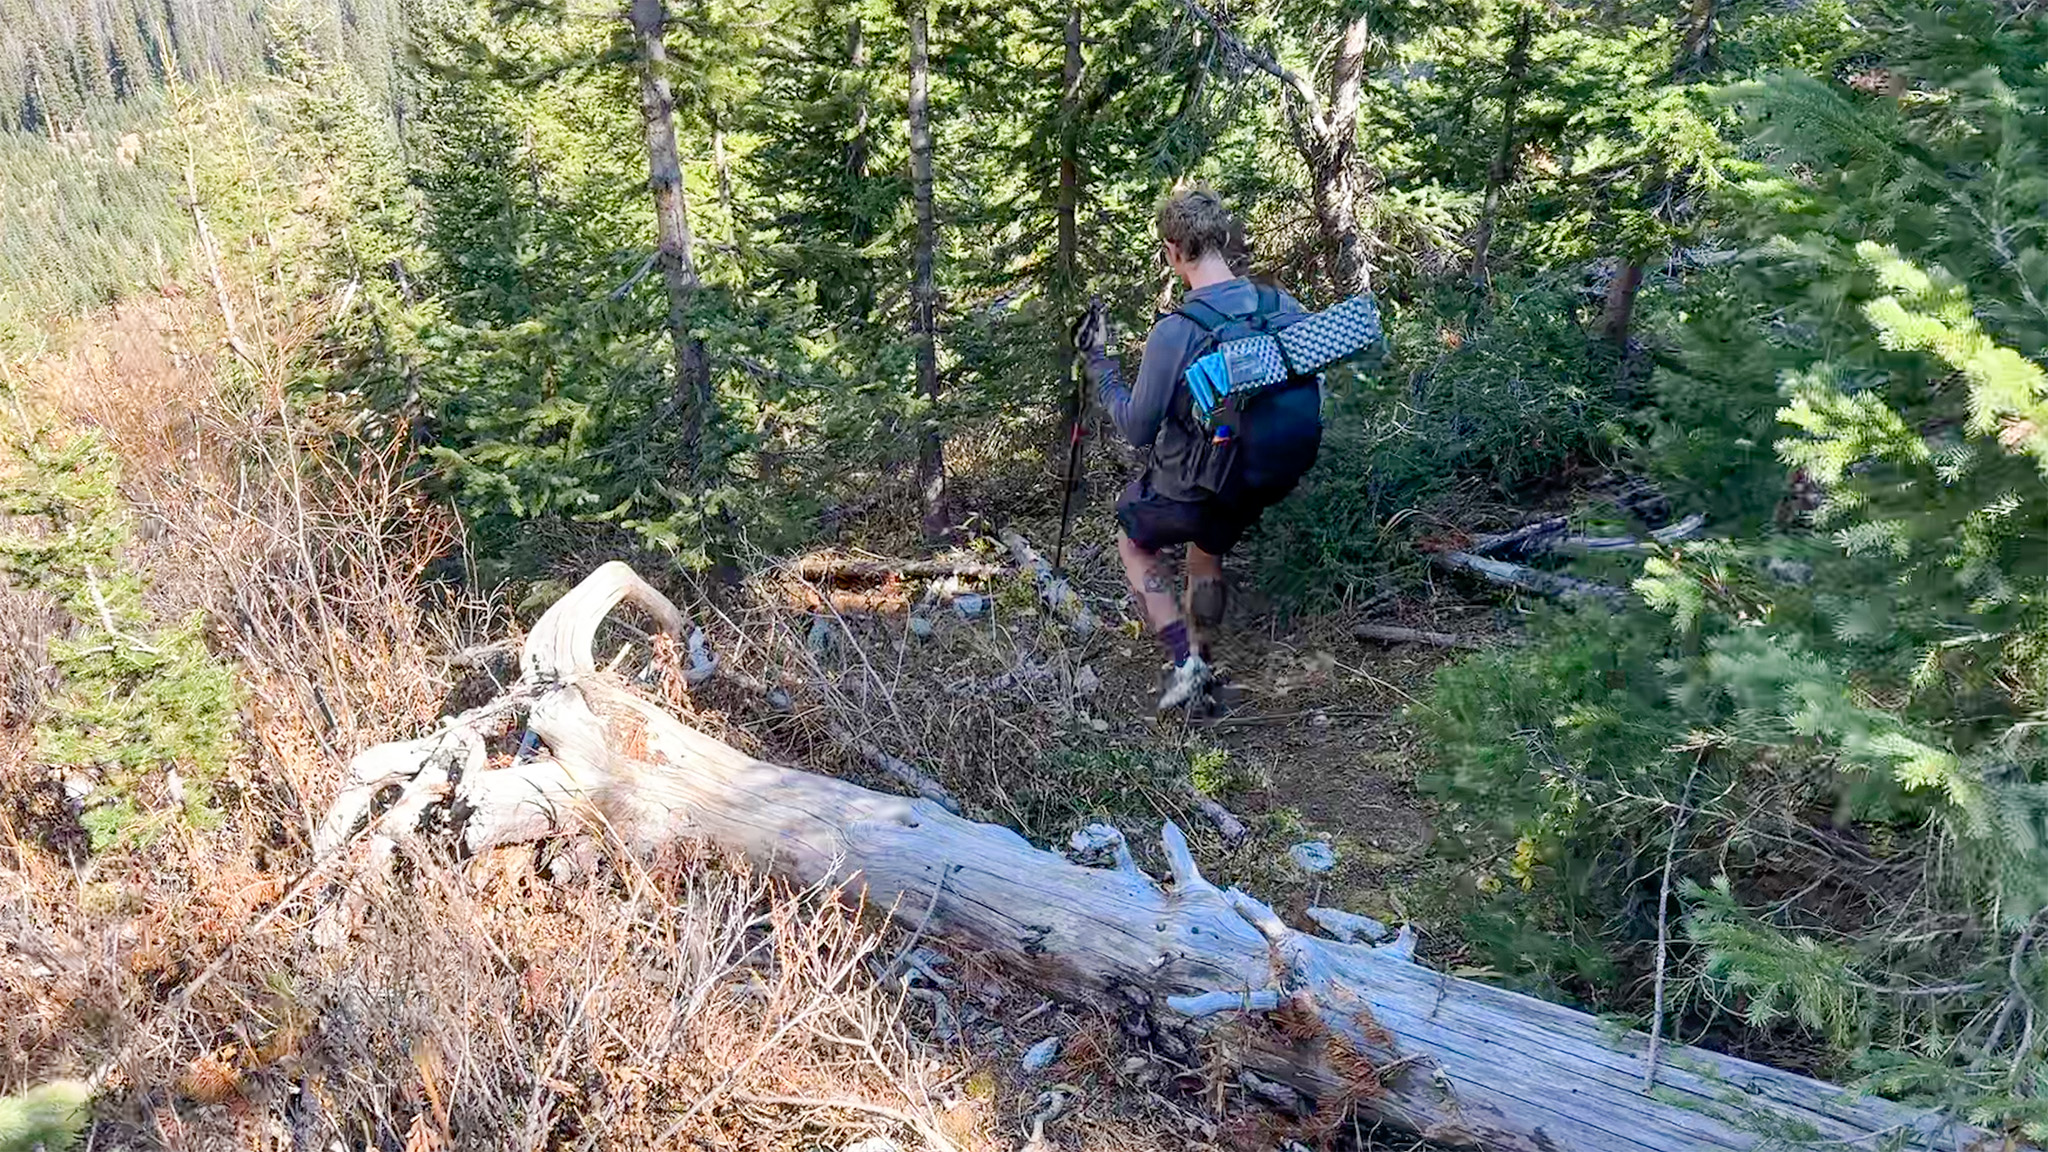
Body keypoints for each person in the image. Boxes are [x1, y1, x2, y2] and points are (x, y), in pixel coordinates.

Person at [1076, 187, 1324, 711]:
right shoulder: (1281, 304)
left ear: (1172, 250)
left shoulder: (1178, 330)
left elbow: (1136, 427)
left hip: (1197, 477)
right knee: (1205, 548)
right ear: (1221, 240)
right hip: (1260, 475)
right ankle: (1202, 659)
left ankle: (1184, 660)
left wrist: (1100, 363)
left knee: (1133, 541)